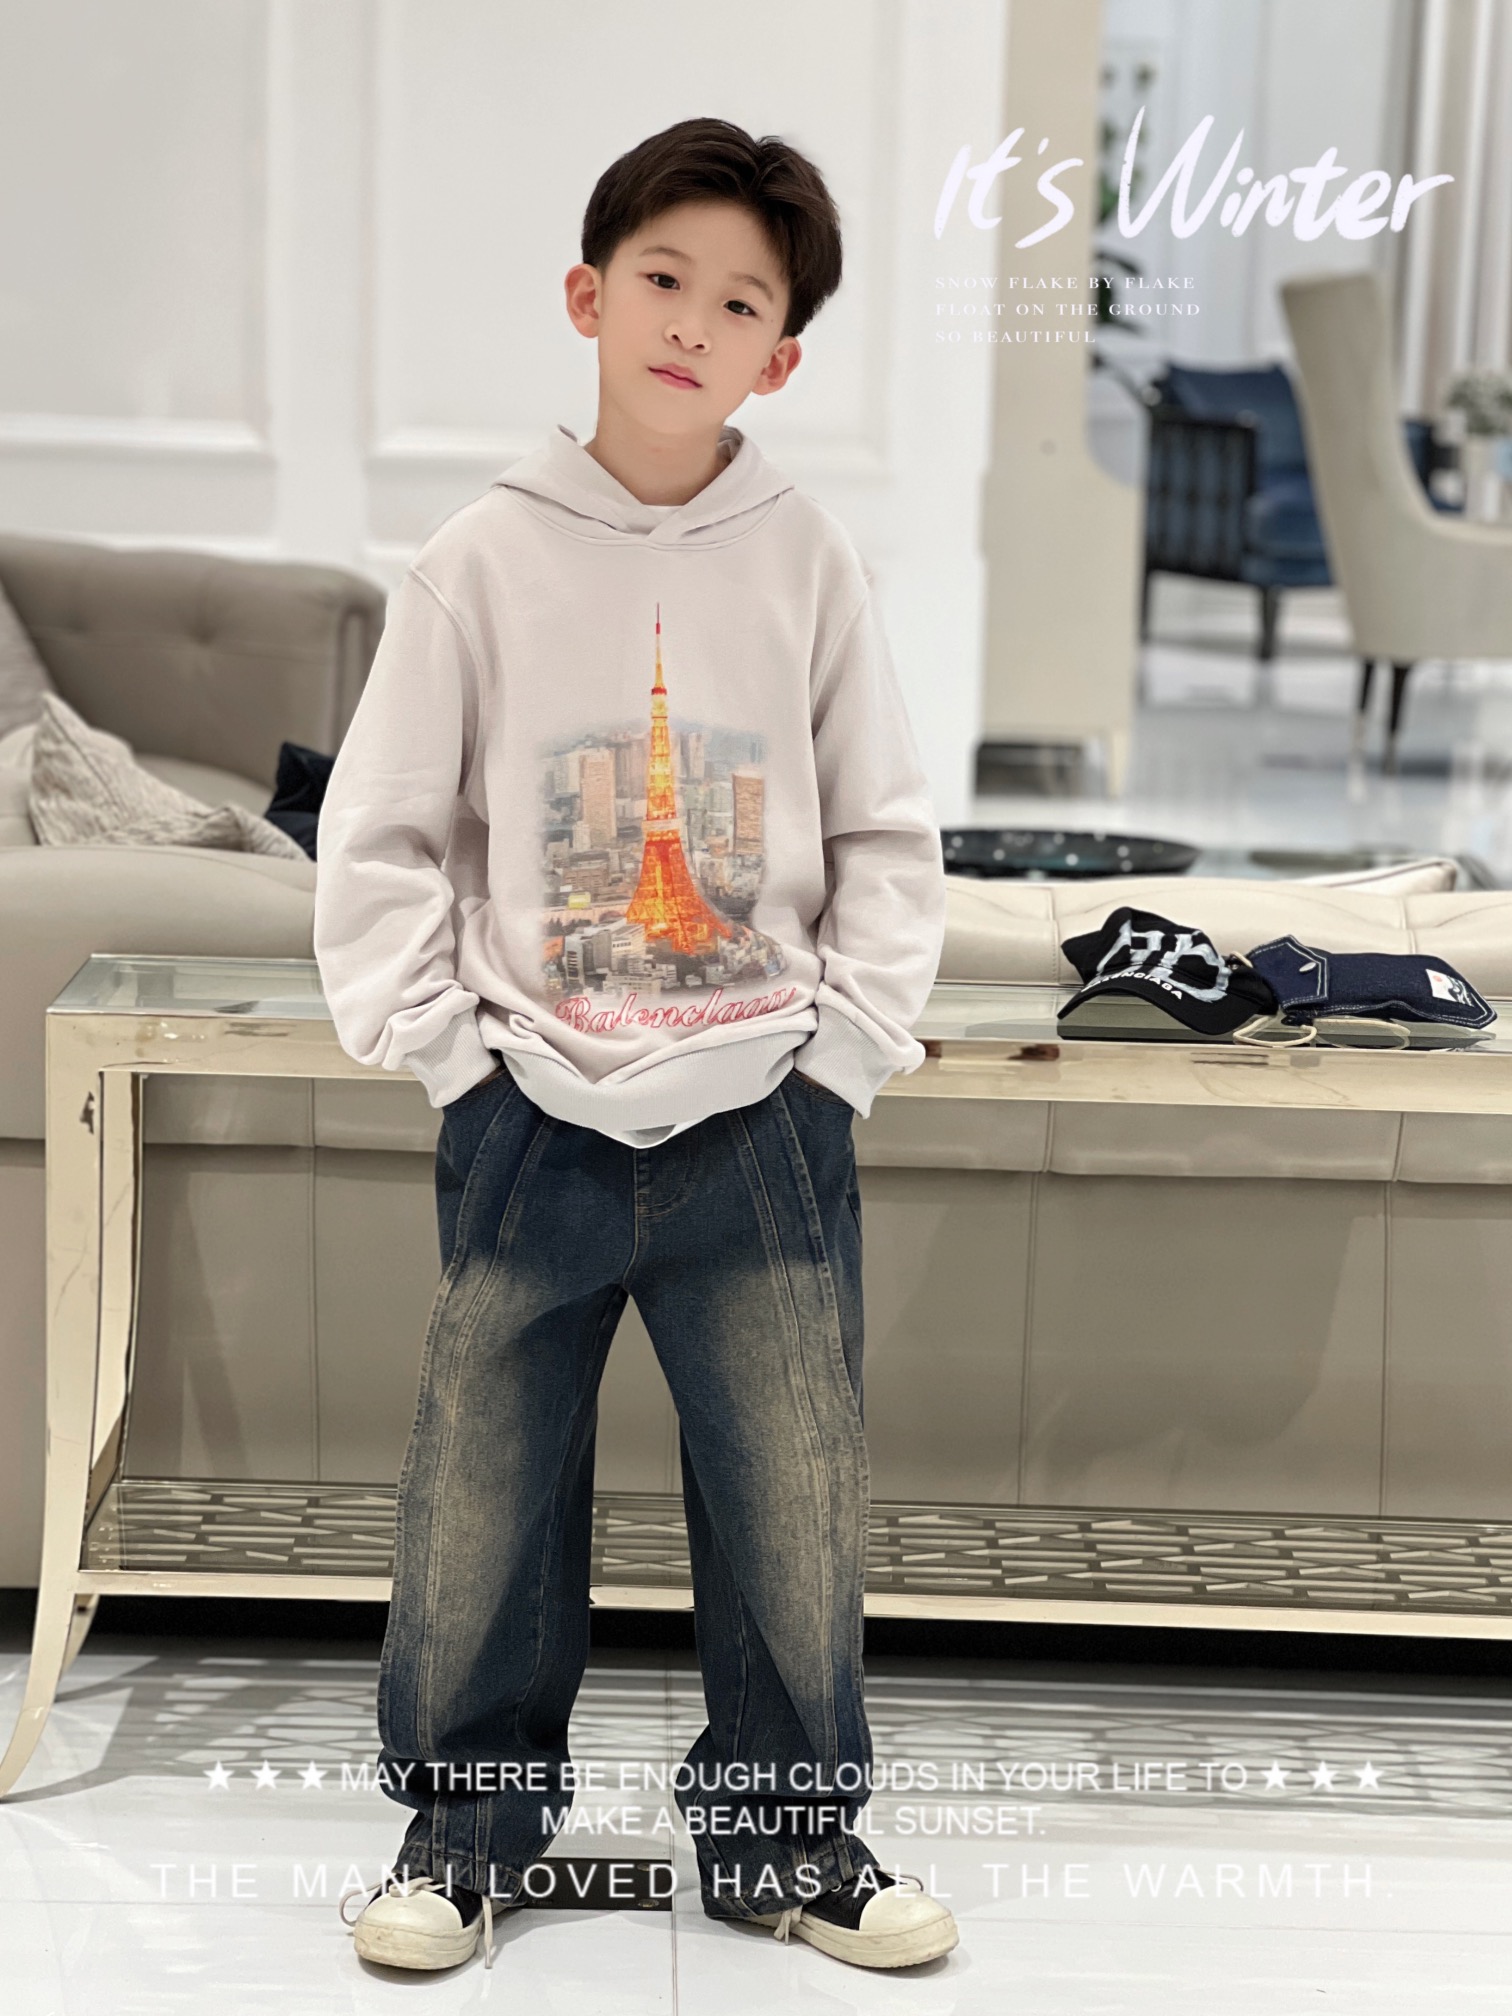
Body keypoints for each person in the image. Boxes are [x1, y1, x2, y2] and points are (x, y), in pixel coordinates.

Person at [315, 114, 951, 1976]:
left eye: (741, 302)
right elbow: (380, 835)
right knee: (485, 1497)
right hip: (528, 1106)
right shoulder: (479, 559)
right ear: (589, 297)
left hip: (766, 1116)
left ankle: (785, 1840)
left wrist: (840, 1063)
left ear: (784, 358)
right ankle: (462, 1835)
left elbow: (888, 831)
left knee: (791, 1497)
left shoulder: (809, 561)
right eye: (664, 279)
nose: (694, 322)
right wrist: (450, 1059)